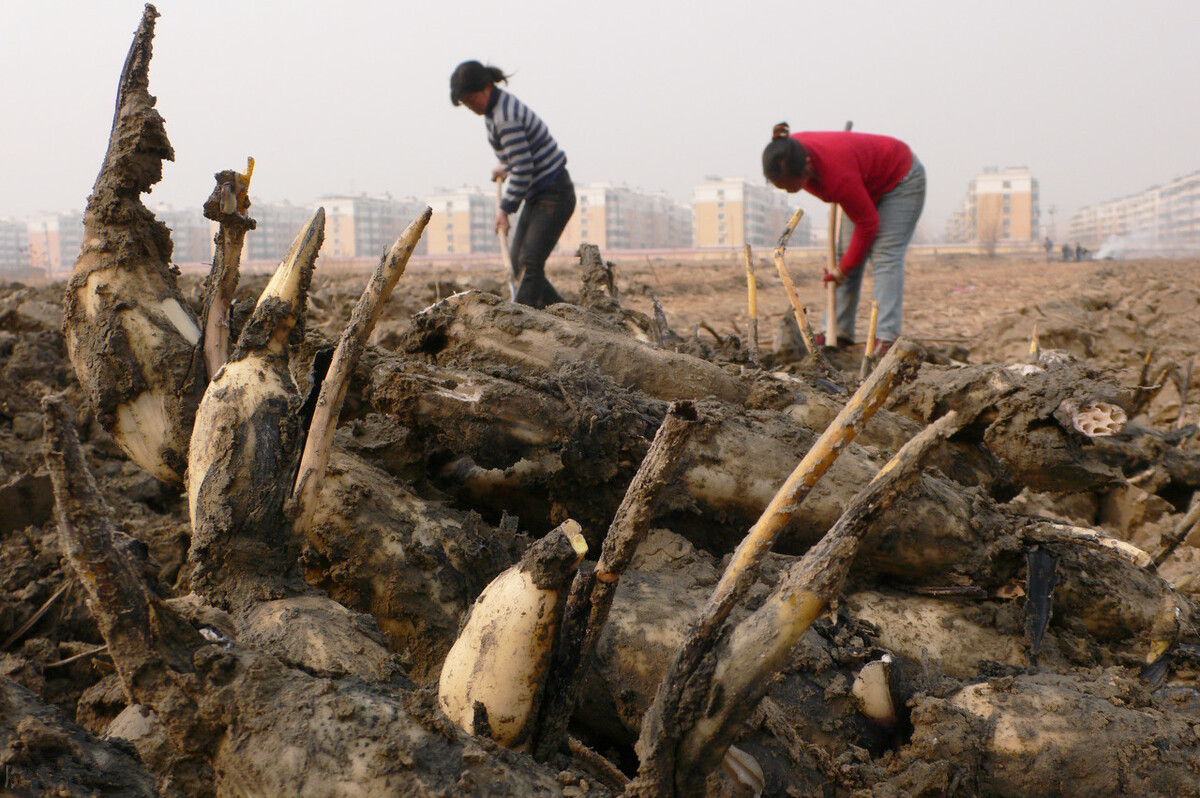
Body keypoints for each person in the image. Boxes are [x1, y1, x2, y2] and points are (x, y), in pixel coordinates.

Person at [762, 123, 925, 354]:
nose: (789, 191)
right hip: (862, 184)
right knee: (846, 257)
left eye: (791, 186)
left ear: (807, 166)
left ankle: (886, 337)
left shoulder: (836, 177)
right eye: (782, 187)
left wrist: (843, 269)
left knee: (885, 255)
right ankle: (836, 332)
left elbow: (868, 224)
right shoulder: (786, 151)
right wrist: (843, 267)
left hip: (901, 178)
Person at [450, 61, 574, 309]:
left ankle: (520, 319)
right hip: (539, 193)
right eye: (466, 104)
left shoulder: (504, 117)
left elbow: (524, 168)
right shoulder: (493, 111)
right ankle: (566, 315)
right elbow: (518, 154)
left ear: (487, 87)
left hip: (554, 192)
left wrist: (505, 210)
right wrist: (506, 165)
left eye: (472, 100)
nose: (471, 107)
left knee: (529, 263)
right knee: (520, 265)